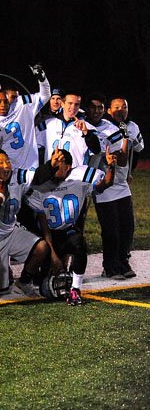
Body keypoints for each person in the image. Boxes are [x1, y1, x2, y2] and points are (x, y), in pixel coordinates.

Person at [27, 148, 117, 305]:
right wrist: (54, 255)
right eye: (53, 165)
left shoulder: (80, 178)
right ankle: (23, 280)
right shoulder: (42, 185)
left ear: (68, 167)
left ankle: (76, 289)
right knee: (43, 286)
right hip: (48, 235)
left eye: (58, 166)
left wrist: (111, 167)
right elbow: (42, 224)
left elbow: (105, 184)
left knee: (79, 242)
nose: (53, 169)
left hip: (68, 232)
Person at [0, 149, 51, 294]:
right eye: (0, 163)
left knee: (41, 247)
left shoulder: (18, 176)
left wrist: (52, 165)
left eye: (7, 161)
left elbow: (38, 176)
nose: (6, 166)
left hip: (10, 231)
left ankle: (24, 281)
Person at [90, 96, 144, 278]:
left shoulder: (123, 128)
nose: (121, 110)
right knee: (111, 229)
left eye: (124, 107)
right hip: (104, 183)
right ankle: (110, 265)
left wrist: (129, 171)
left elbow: (130, 155)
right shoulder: (102, 128)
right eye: (116, 107)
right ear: (109, 111)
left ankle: (123, 261)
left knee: (127, 227)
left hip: (120, 183)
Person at [36, 92, 101, 168]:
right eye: (70, 103)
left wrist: (86, 133)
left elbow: (96, 150)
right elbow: (32, 146)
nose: (73, 107)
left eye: (76, 104)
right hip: (51, 174)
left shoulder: (88, 128)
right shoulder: (47, 124)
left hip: (74, 176)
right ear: (62, 104)